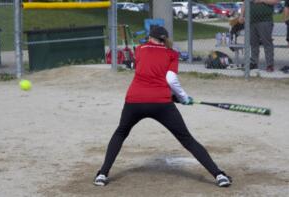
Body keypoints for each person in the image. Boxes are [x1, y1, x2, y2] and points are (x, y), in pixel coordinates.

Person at [93, 26, 232, 187]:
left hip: (134, 101)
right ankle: (219, 175)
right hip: (161, 103)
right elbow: (170, 79)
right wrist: (182, 97)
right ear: (164, 39)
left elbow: (145, 70)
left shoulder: (139, 49)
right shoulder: (171, 53)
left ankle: (102, 174)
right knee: (187, 139)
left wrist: (178, 97)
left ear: (150, 37)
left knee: (121, 133)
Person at [239, 0, 280, 72]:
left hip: (265, 20)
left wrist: (262, 0)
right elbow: (245, 2)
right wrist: (241, 15)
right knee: (253, 43)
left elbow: (275, 1)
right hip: (251, 21)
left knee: (267, 43)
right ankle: (254, 63)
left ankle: (269, 65)